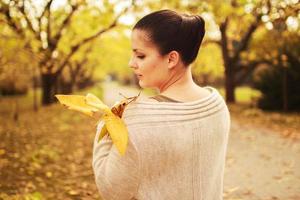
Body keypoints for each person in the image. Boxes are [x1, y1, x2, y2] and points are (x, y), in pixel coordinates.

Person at [92, 9, 230, 200]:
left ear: (171, 59)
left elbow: (111, 190)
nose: (131, 63)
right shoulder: (216, 104)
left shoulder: (137, 119)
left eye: (140, 56)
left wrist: (109, 121)